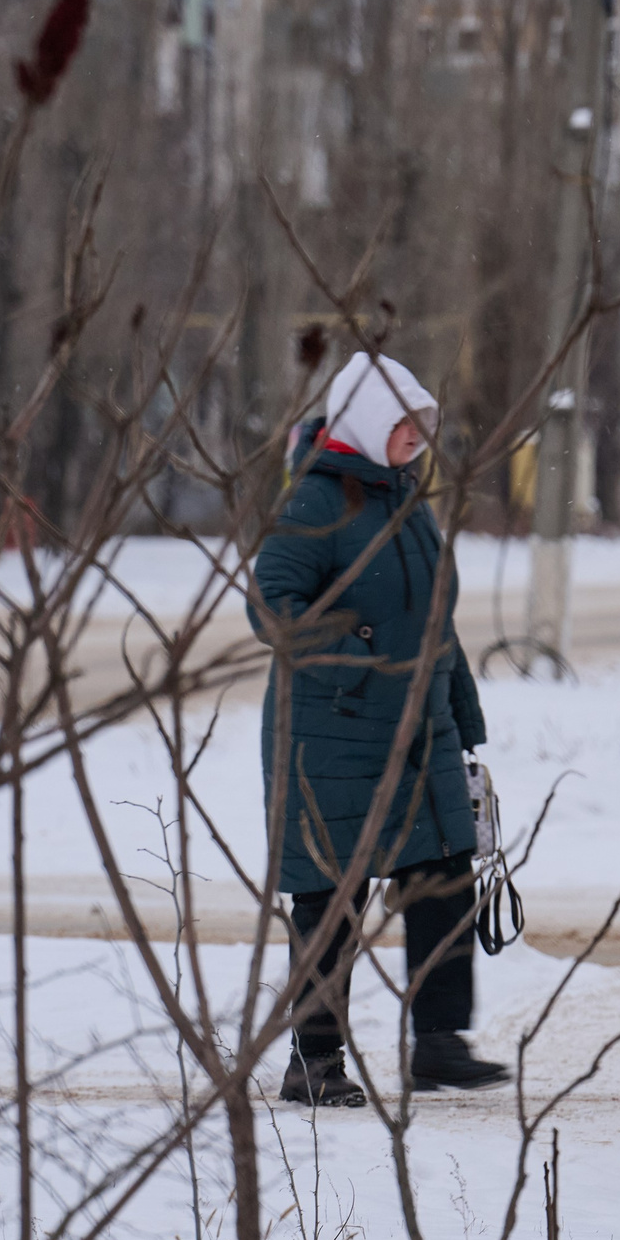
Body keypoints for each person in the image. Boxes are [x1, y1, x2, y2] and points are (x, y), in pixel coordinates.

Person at [255, 352, 508, 1106]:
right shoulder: (315, 502)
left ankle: (438, 1042)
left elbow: (434, 620)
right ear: (365, 423)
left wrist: (460, 710)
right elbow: (272, 603)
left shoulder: (405, 500)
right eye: (401, 421)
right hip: (334, 734)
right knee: (331, 897)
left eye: (420, 422)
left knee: (443, 877)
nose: (415, 435)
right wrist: (359, 657)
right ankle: (314, 1060)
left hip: (418, 733)